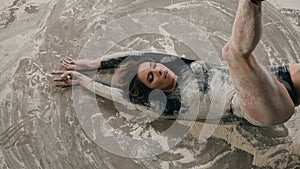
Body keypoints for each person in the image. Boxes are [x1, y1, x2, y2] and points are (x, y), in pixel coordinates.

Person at [52, 0, 300, 126]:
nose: (158, 69)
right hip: (253, 108)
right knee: (234, 55)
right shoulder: (169, 105)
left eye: (153, 67)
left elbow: (138, 54)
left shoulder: (179, 65)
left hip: (273, 78)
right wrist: (82, 79)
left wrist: (94, 63)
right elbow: (117, 95)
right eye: (152, 78)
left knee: (242, 60)